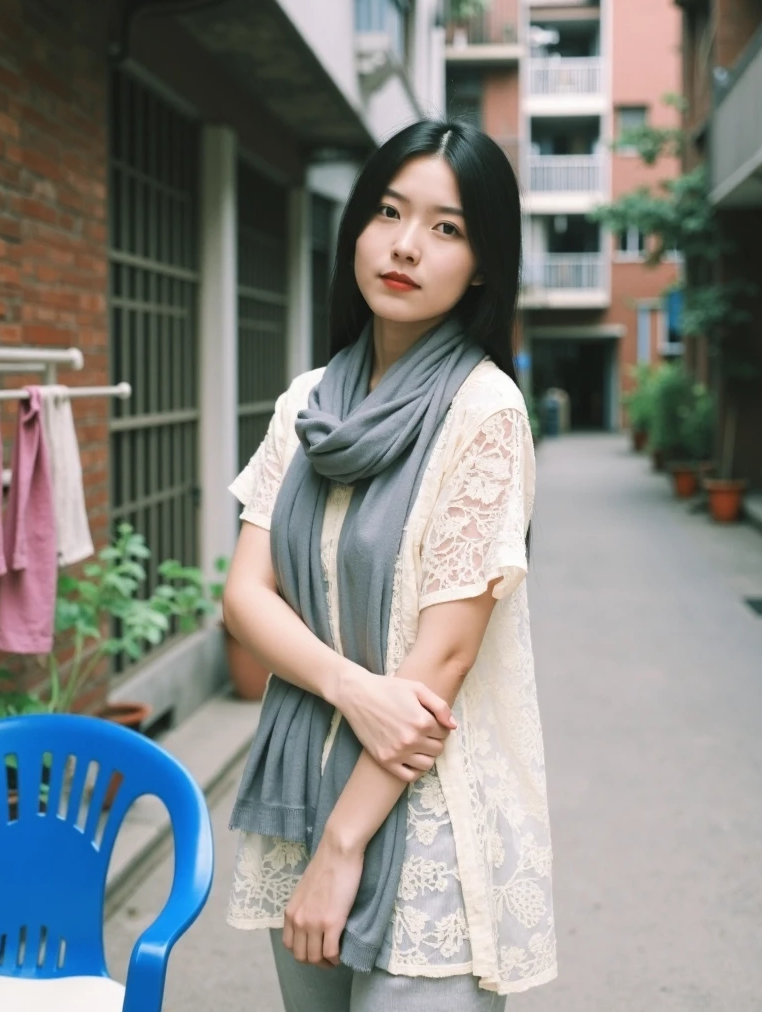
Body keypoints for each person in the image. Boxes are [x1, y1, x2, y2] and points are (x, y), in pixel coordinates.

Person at [223, 120, 556, 1011]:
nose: (406, 245)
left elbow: (441, 663)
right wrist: (350, 687)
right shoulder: (308, 401)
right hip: (304, 792)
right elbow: (244, 596)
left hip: (429, 819)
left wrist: (342, 849)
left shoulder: (486, 412)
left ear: (483, 262)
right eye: (387, 211)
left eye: (447, 227)